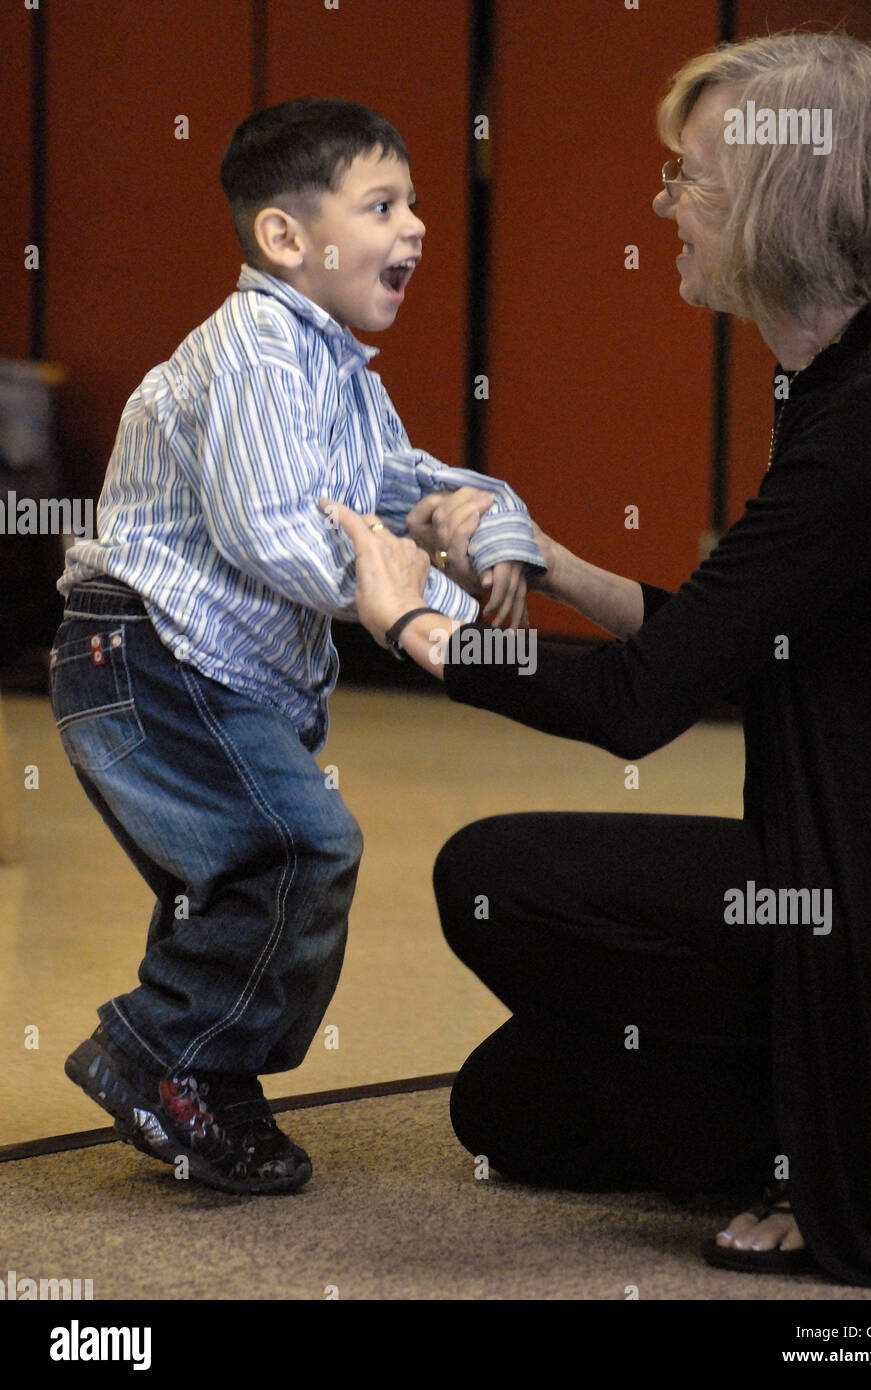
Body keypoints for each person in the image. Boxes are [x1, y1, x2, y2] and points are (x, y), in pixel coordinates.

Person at [327, 32, 871, 1287]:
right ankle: (788, 1118)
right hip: (870, 876)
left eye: (692, 178)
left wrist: (411, 629)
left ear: (793, 199)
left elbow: (638, 705)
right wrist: (553, 563)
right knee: (510, 1110)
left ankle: (836, 1157)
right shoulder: (869, 376)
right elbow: (751, 643)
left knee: (495, 875)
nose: (661, 204)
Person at [51, 98, 543, 1195]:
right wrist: (413, 614)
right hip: (148, 657)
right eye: (383, 204)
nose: (415, 226)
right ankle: (158, 1051)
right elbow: (271, 529)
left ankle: (203, 1090)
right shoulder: (259, 354)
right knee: (296, 850)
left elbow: (399, 481)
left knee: (226, 884)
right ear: (286, 238)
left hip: (189, 669)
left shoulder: (335, 373)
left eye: (414, 202)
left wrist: (486, 518)